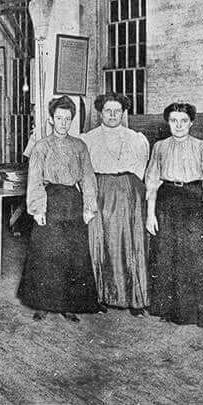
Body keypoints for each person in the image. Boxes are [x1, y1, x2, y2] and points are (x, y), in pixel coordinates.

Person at [145, 102, 203, 332]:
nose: (179, 125)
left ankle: (201, 312)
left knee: (198, 256)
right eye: (174, 121)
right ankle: (170, 310)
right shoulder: (160, 147)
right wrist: (150, 213)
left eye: (184, 121)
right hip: (167, 201)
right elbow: (152, 180)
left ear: (191, 123)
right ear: (168, 122)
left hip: (194, 201)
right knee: (167, 255)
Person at [19, 96, 100, 323]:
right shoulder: (41, 146)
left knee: (73, 255)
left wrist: (88, 207)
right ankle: (43, 304)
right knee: (46, 254)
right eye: (59, 118)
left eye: (67, 118)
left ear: (72, 120)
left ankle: (68, 305)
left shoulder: (80, 146)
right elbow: (34, 179)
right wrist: (37, 209)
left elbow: (88, 178)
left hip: (73, 203)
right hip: (50, 200)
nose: (63, 122)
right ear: (51, 120)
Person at [80, 92, 149, 316]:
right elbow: (83, 173)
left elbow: (141, 168)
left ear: (123, 112)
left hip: (128, 192)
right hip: (99, 191)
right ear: (100, 112)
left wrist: (128, 189)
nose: (112, 115)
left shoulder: (135, 138)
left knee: (130, 243)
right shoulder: (88, 139)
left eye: (117, 111)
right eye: (108, 110)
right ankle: (101, 297)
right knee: (100, 242)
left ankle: (134, 299)